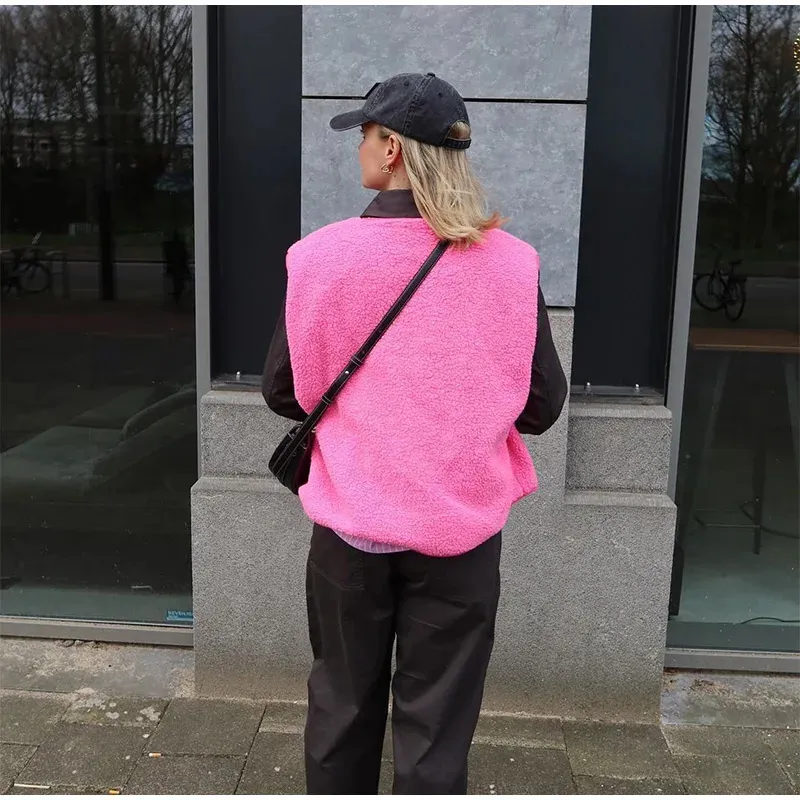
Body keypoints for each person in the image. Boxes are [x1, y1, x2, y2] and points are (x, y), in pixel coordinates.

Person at [262, 73, 567, 795]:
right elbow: (541, 405)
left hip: (351, 528)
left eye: (365, 136)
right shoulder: (511, 263)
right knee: (437, 728)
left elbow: (284, 392)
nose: (360, 149)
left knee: (341, 704)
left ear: (392, 148)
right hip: (459, 534)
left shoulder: (320, 257)